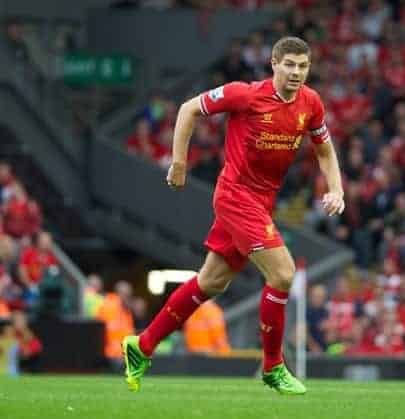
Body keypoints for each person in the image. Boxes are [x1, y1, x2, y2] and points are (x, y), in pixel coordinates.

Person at [122, 36, 345, 395]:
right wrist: (179, 163)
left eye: (303, 66)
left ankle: (141, 346)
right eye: (289, 64)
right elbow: (187, 109)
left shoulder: (310, 104)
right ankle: (273, 366)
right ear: (274, 64)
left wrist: (336, 189)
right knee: (283, 274)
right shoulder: (246, 94)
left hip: (262, 202)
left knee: (211, 282)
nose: (296, 72)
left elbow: (325, 151)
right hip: (235, 197)